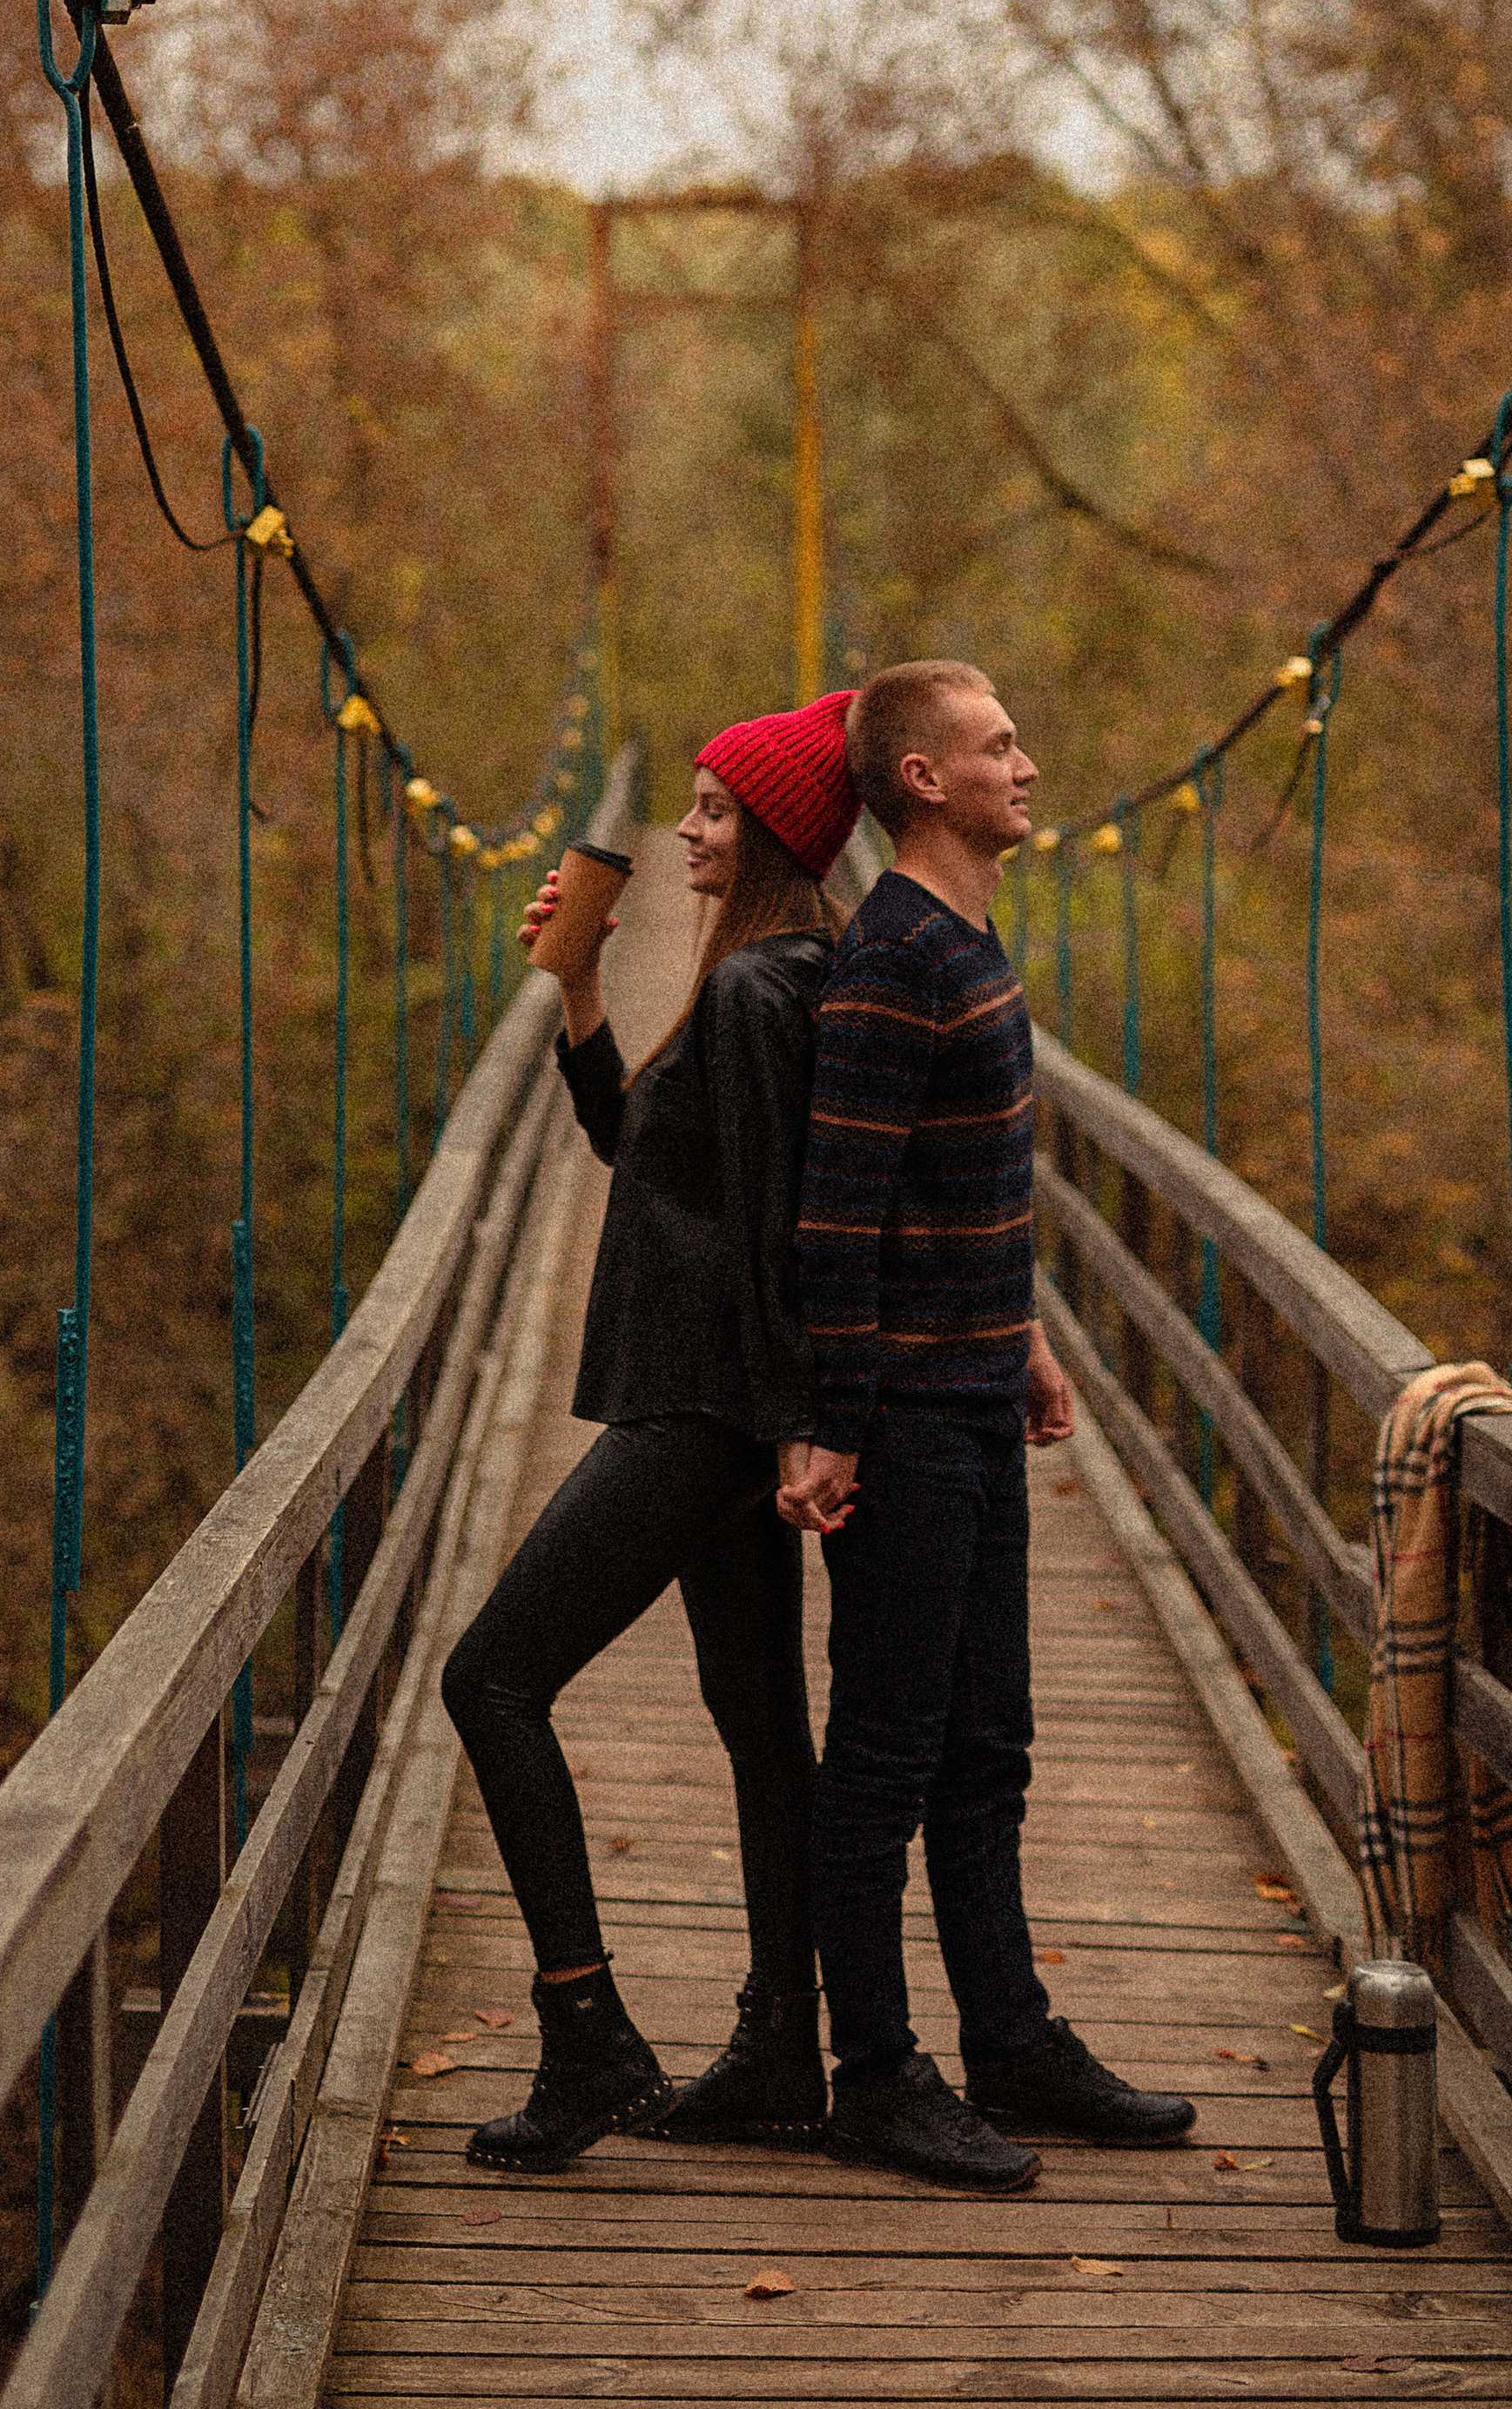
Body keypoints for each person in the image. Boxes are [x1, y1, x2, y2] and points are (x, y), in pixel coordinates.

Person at [779, 659, 1195, 2190]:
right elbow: (843, 1210)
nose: (1028, 762)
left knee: (989, 1745)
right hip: (897, 1424)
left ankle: (1009, 2042)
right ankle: (876, 2075)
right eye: (996, 743)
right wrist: (836, 1426)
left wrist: (1016, 1332)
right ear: (921, 782)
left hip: (967, 1391)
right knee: (886, 1757)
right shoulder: (893, 959)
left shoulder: (967, 936)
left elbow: (959, 1180)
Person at [440, 691, 863, 2173]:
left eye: (713, 811)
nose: (686, 829)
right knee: (759, 1728)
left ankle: (587, 2037)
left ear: (772, 837)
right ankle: (778, 2050)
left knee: (487, 1678)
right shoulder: (758, 978)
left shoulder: (761, 993)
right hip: (732, 1409)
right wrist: (578, 990)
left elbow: (773, 1232)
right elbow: (644, 1149)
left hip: (698, 1408)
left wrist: (802, 1425)